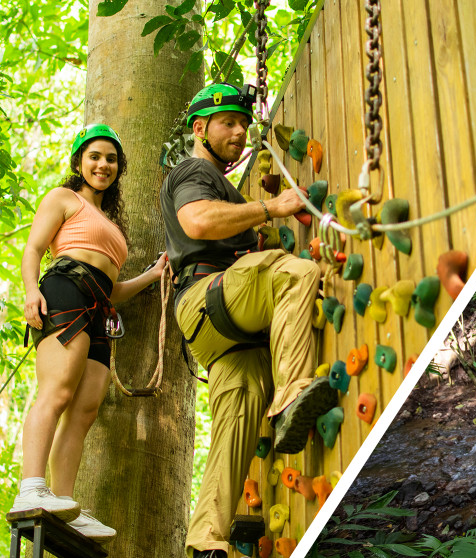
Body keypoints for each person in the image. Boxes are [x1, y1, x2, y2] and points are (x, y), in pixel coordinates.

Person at [160, 83, 338, 558]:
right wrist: (271, 207)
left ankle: (204, 541)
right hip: (209, 296)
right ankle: (292, 394)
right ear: (200, 129)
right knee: (294, 272)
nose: (240, 131)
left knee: (234, 428)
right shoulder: (194, 170)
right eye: (228, 123)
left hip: (216, 331)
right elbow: (197, 222)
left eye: (244, 124)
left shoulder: (223, 187)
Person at [12, 124, 167, 542]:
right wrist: (30, 293)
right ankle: (31, 489)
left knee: (83, 411)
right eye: (95, 156)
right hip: (65, 290)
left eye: (111, 159)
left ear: (119, 168)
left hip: (101, 307)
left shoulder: (113, 226)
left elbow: (114, 287)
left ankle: (64, 502)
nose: (103, 164)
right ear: (79, 161)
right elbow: (32, 248)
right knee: (57, 392)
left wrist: (152, 275)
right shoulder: (65, 198)